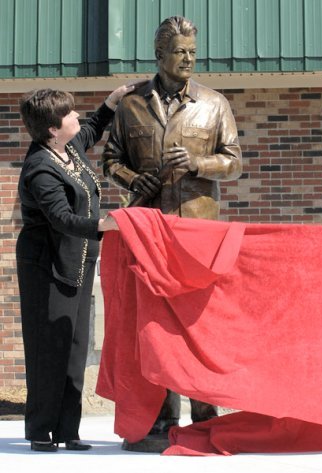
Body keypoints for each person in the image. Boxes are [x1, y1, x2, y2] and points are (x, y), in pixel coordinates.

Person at [102, 16, 242, 450]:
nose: (188, 58)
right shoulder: (130, 106)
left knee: (199, 324)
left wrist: (199, 164)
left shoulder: (214, 103)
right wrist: (130, 179)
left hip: (198, 231)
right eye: (179, 51)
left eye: (192, 52)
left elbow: (234, 161)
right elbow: (110, 159)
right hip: (150, 230)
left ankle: (205, 416)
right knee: (158, 324)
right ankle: (164, 418)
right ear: (160, 55)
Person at [16, 86, 129, 452]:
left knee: (76, 346)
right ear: (52, 128)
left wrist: (113, 101)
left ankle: (68, 431)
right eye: (69, 114)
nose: (75, 118)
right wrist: (105, 224)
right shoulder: (40, 168)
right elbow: (62, 218)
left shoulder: (68, 149)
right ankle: (40, 430)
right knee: (49, 346)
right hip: (47, 265)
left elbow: (92, 128)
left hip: (78, 261)